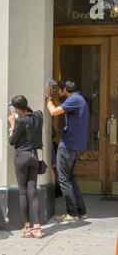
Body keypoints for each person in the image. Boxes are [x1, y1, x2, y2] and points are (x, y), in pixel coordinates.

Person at [45, 77, 89, 222]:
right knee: (69, 178)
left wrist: (48, 98)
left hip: (68, 146)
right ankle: (81, 211)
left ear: (65, 89)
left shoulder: (75, 99)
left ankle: (72, 213)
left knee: (63, 179)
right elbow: (61, 107)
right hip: (75, 146)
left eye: (60, 90)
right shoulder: (78, 99)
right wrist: (54, 96)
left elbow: (53, 111)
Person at [8, 95, 43, 239]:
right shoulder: (38, 116)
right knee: (33, 192)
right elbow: (33, 114)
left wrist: (12, 124)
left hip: (22, 156)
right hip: (34, 156)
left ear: (16, 109)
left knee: (23, 192)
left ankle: (27, 228)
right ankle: (38, 229)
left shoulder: (20, 121)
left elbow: (12, 141)